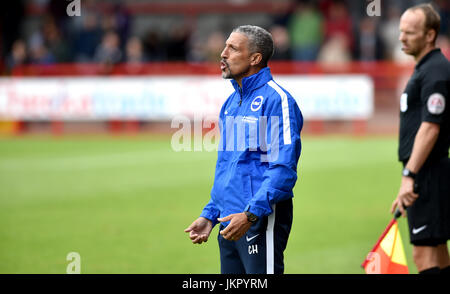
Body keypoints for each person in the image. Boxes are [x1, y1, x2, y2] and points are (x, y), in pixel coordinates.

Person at [184, 25, 303, 274]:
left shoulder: (275, 100)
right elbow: (228, 167)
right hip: (229, 221)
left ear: (255, 58)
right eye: (225, 46)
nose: (223, 53)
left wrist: (250, 215)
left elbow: (281, 169)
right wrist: (210, 214)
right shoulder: (230, 103)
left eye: (233, 48)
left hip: (257, 220)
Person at [390, 3, 450, 275]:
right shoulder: (427, 67)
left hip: (427, 172)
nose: (402, 37)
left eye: (410, 32)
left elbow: (430, 128)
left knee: (423, 254)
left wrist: (409, 174)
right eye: (401, 31)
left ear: (429, 35)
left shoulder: (434, 71)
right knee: (437, 249)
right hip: (430, 171)